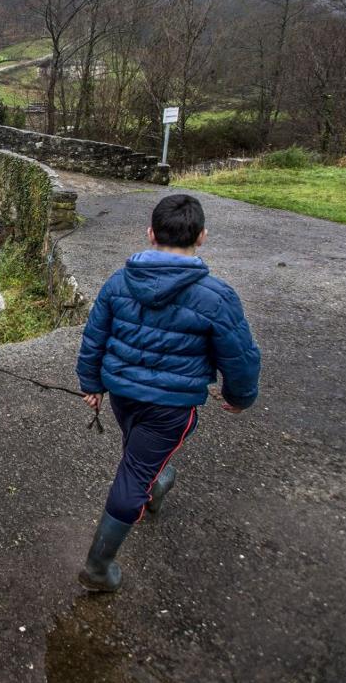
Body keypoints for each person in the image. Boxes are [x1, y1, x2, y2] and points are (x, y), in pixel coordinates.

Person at [75, 193, 261, 592]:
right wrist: (240, 396)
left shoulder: (118, 282)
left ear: (150, 234)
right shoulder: (217, 296)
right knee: (134, 475)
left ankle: (155, 482)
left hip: (124, 397)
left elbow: (93, 339)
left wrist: (91, 384)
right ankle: (97, 568)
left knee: (140, 452)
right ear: (202, 236)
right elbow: (240, 357)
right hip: (171, 408)